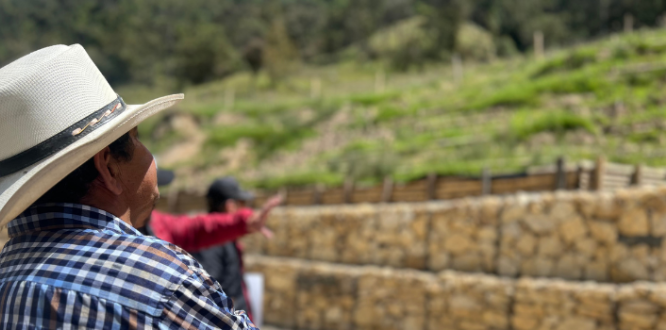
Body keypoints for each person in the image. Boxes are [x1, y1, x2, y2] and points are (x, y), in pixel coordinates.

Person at [0, 44, 259, 329]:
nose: (149, 155)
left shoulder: (7, 274)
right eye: (136, 138)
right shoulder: (163, 282)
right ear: (109, 166)